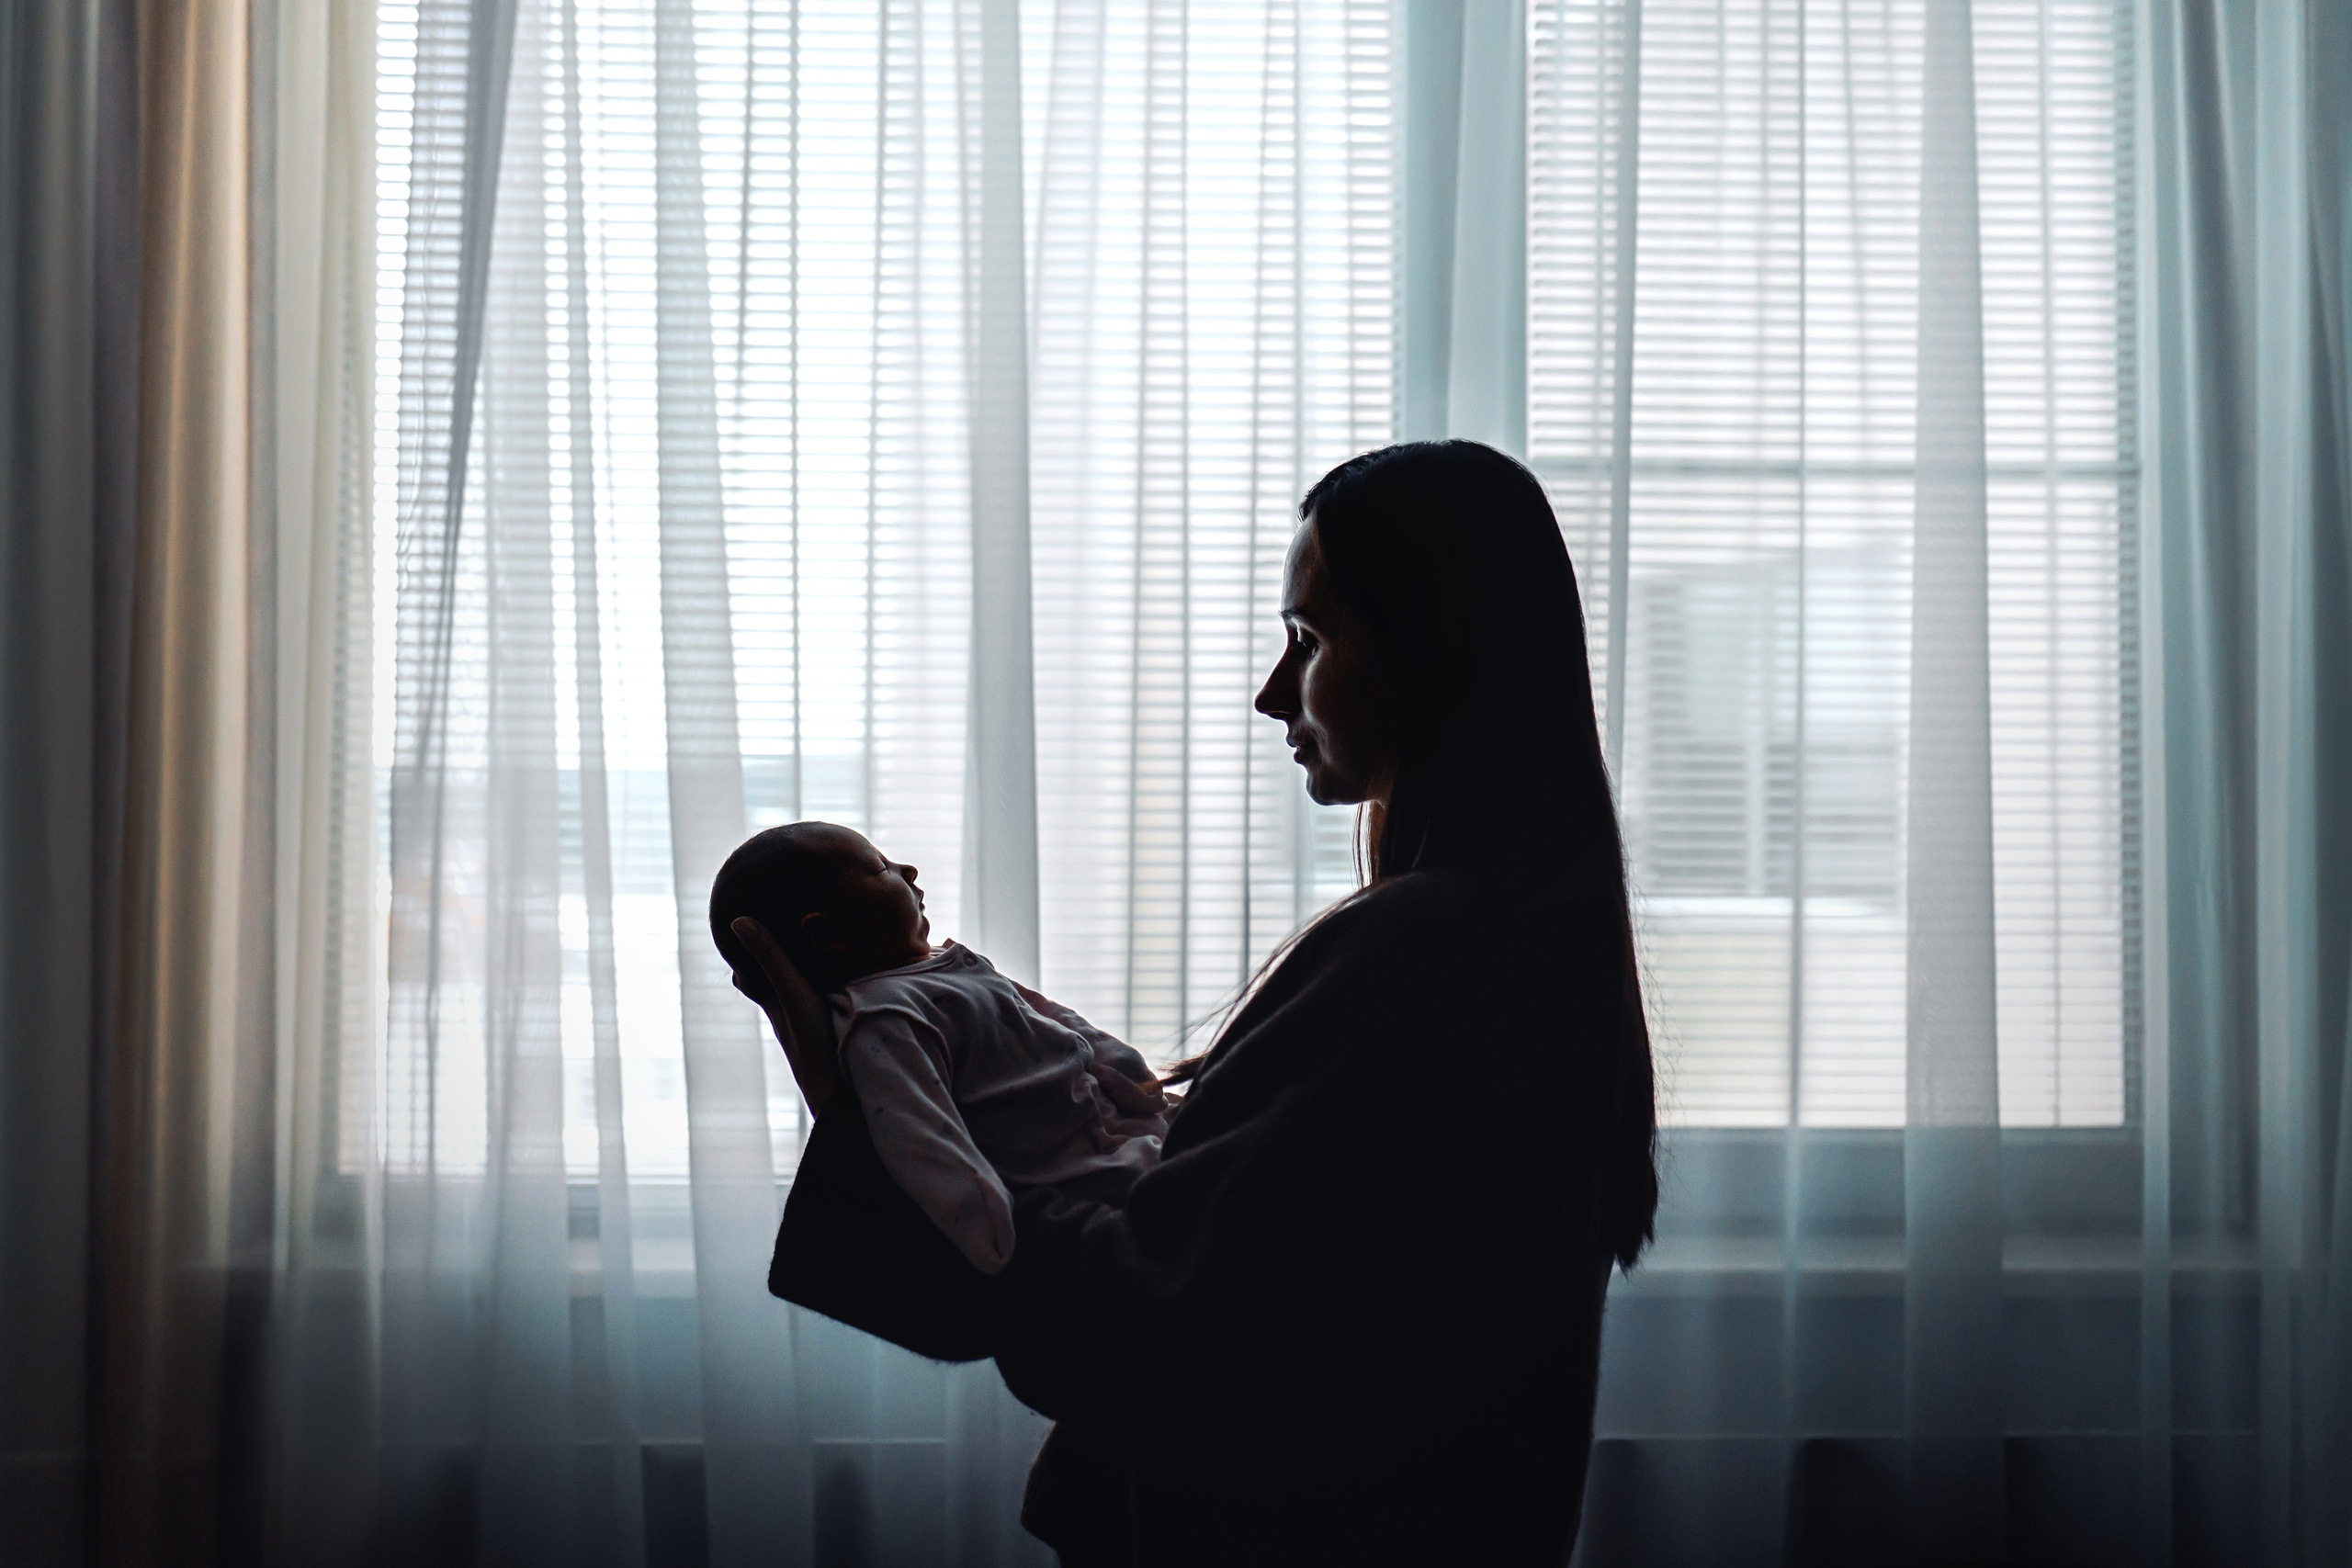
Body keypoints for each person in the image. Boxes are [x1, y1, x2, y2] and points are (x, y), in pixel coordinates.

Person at [729, 439, 1659, 1566]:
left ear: (1429, 650)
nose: (1273, 691)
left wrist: (877, 1130)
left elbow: (1155, 1321)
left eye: (1307, 641)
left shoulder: (1413, 955)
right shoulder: (1529, 943)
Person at [707, 821, 1169, 1276]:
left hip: (1114, 1126)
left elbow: (1052, 1015)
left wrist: (1127, 1072)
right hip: (1072, 1172)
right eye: (879, 867)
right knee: (1172, 1192)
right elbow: (919, 1134)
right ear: (827, 933)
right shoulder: (883, 1017)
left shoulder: (947, 967)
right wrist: (985, 1226)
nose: (908, 870)